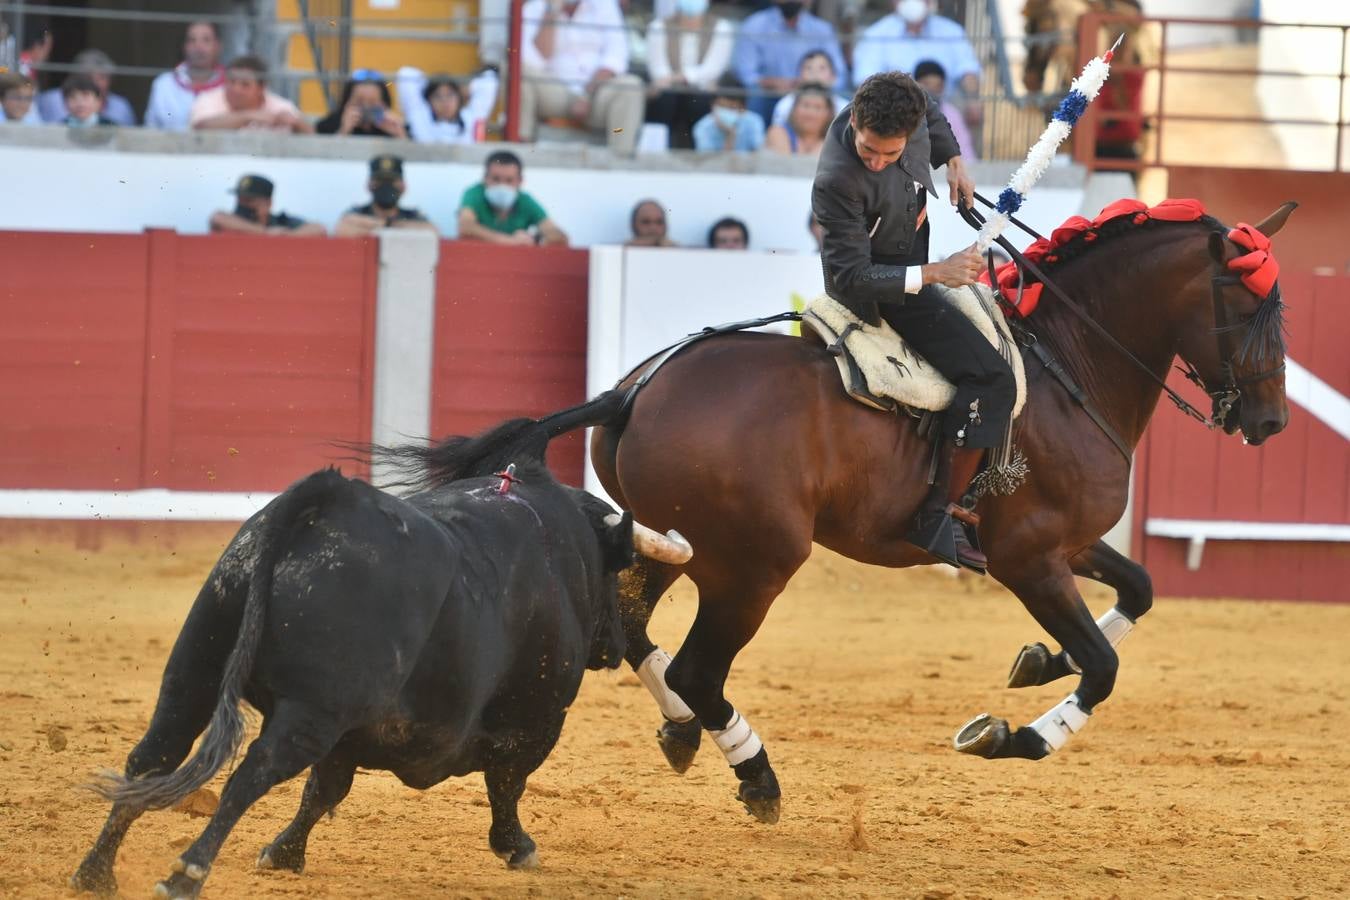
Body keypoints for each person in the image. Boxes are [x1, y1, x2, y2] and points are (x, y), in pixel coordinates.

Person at [811, 71, 1010, 573]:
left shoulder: (912, 112)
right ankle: (939, 515)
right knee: (990, 377)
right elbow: (851, 276)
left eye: (890, 154)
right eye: (868, 150)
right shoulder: (836, 178)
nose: (876, 161)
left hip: (915, 261)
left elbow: (934, 111)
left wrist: (955, 160)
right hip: (881, 294)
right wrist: (935, 273)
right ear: (854, 120)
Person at [518, 0, 645, 156]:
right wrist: (551, 13)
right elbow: (534, 60)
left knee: (630, 86)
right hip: (553, 91)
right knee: (519, 74)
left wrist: (587, 94)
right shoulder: (535, 8)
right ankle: (521, 154)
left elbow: (616, 57)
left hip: (596, 91)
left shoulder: (604, 5)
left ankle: (621, 158)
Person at [852, 0, 981, 132]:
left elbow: (968, 71)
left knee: (969, 110)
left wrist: (972, 99)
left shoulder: (952, 31)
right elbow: (866, 80)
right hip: (896, 111)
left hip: (946, 107)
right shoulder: (876, 34)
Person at [731, 0, 848, 123]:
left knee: (845, 99)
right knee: (755, 96)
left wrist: (815, 85)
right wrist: (773, 83)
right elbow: (746, 74)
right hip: (771, 94)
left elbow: (840, 75)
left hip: (815, 91)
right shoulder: (754, 26)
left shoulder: (822, 29)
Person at [643, 0, 736, 149]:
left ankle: (697, 153)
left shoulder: (721, 27)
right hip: (669, 91)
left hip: (700, 91)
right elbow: (658, 70)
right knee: (665, 100)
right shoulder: (659, 26)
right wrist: (675, 80)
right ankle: (655, 152)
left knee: (698, 102)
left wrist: (681, 77)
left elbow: (712, 69)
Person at [457, 150, 569, 246]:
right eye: (496, 179)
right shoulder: (474, 193)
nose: (502, 185)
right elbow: (465, 226)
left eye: (509, 180)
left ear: (520, 181)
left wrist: (534, 239)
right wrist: (509, 240)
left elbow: (558, 235)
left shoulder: (525, 201)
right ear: (485, 178)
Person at [190, 55, 313, 133]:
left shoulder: (279, 104)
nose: (236, 89)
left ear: (261, 88)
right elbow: (202, 126)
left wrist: (296, 122)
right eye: (231, 82)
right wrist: (249, 116)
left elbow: (311, 134)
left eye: (245, 84)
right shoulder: (208, 98)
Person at [145, 21, 225, 131]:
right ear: (184, 47)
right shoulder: (163, 84)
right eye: (192, 40)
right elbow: (151, 129)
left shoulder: (232, 85)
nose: (199, 47)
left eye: (206, 40)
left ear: (218, 46)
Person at [336, 155, 439, 237]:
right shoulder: (358, 212)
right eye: (380, 180)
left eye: (391, 181)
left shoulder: (412, 215)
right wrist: (388, 225)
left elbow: (433, 231)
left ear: (403, 186)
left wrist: (385, 226)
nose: (386, 186)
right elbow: (342, 228)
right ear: (369, 185)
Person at [395, 65, 499, 145]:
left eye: (450, 95)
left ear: (459, 97)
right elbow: (406, 73)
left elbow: (490, 80)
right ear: (429, 101)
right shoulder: (420, 117)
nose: (445, 102)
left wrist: (467, 87)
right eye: (437, 97)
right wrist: (431, 84)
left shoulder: (471, 118)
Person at [37, 49, 137, 126]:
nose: (98, 84)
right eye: (91, 77)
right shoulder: (51, 100)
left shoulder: (121, 107)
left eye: (103, 77)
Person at [209, 174, 327, 236]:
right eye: (240, 199)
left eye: (249, 200)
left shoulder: (281, 221)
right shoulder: (233, 221)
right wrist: (265, 232)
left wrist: (286, 236)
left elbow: (319, 229)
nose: (242, 204)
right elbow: (217, 218)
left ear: (268, 203)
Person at [769, 50, 850, 129]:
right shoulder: (785, 105)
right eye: (808, 68)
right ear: (799, 77)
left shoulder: (844, 108)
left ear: (833, 77)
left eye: (821, 68)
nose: (815, 73)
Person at [315, 70, 408, 138]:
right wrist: (343, 132)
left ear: (384, 104)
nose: (366, 107)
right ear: (347, 102)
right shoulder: (330, 124)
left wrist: (400, 135)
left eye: (373, 102)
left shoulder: (394, 125)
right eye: (359, 102)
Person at [913, 59, 976, 160]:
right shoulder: (906, 112)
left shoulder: (952, 114)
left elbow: (964, 149)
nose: (932, 90)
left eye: (937, 86)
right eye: (927, 84)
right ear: (916, 84)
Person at [692, 74, 765, 153]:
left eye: (731, 107)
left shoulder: (754, 122)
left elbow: (759, 155)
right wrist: (731, 135)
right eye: (722, 106)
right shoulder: (703, 128)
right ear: (712, 105)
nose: (726, 110)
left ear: (742, 108)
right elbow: (710, 163)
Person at [764, 83, 833, 156]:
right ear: (794, 109)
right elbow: (783, 164)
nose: (810, 113)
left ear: (828, 113)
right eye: (806, 105)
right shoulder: (777, 132)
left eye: (818, 107)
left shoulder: (834, 139)